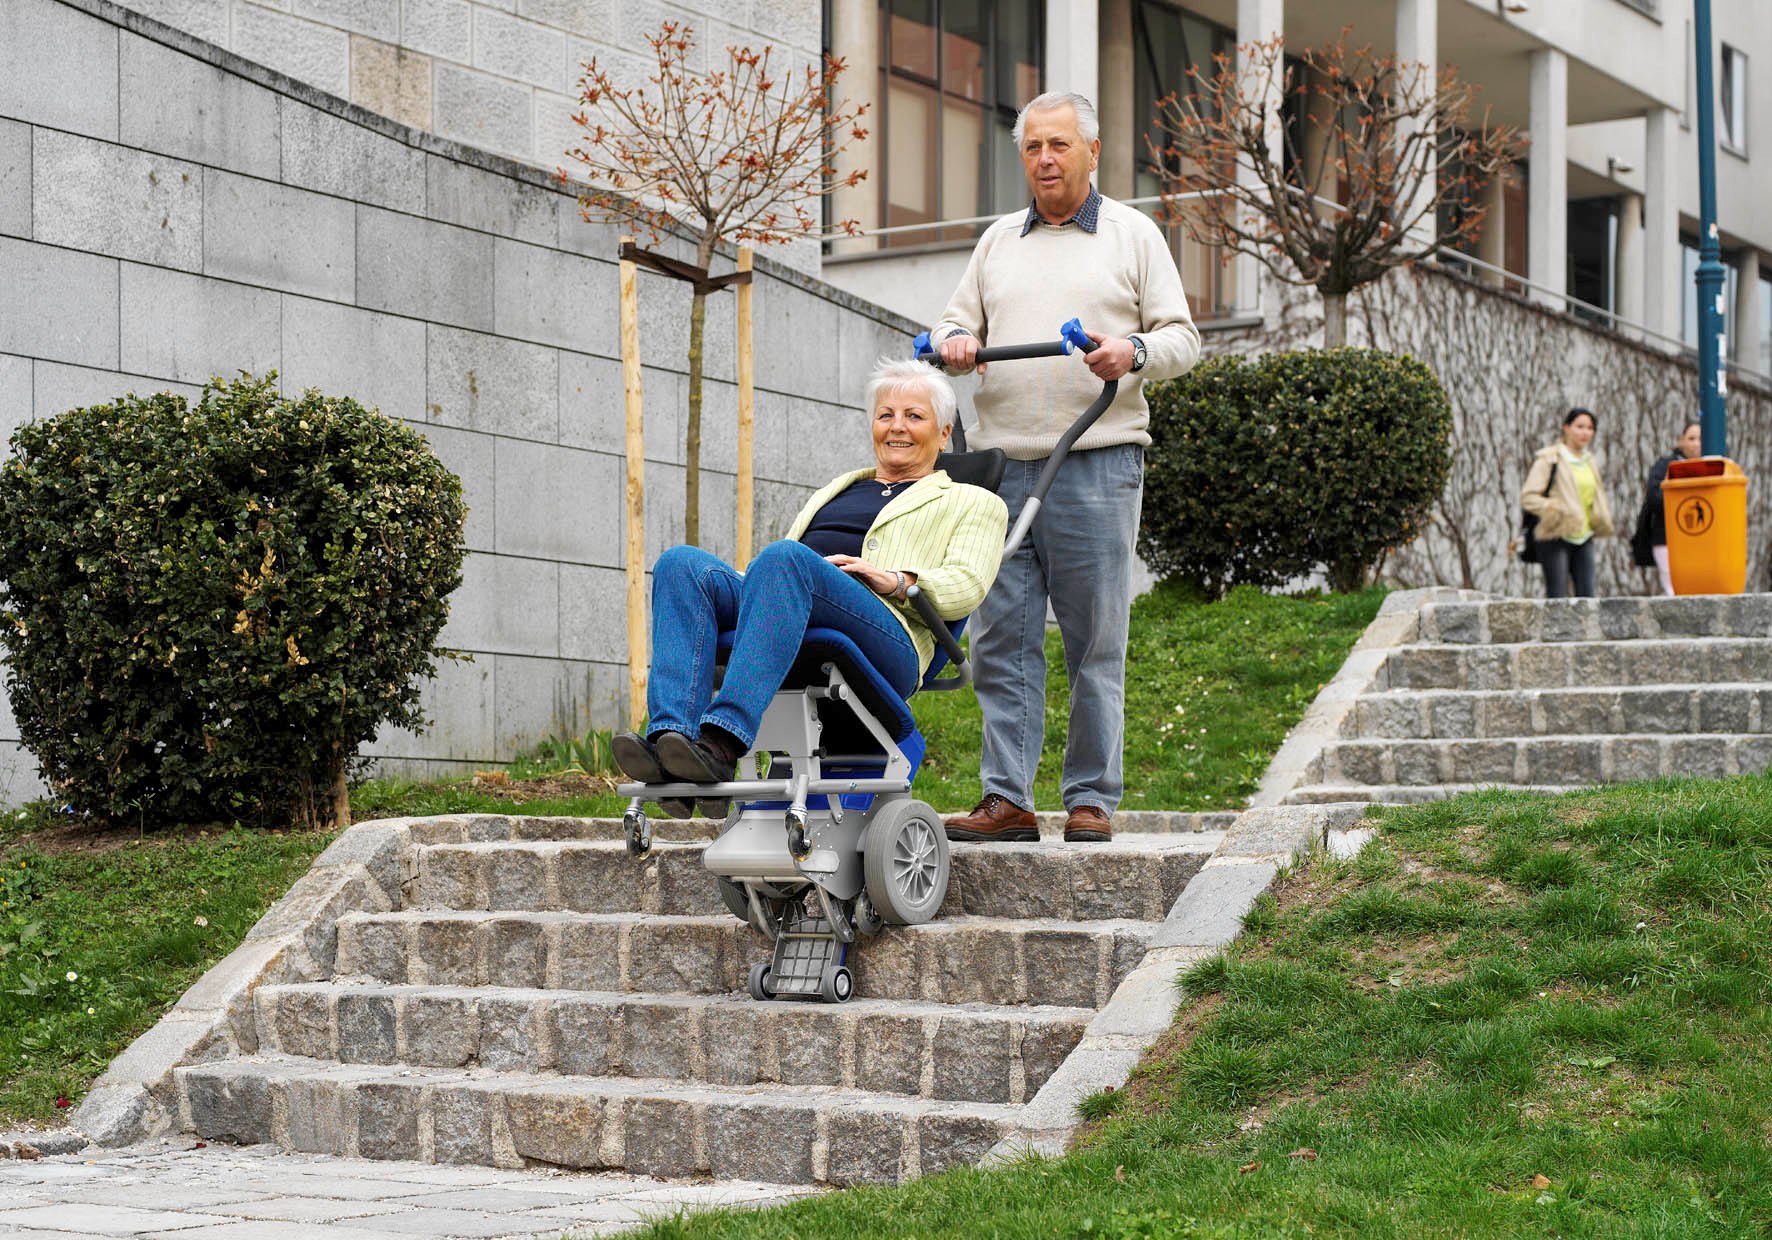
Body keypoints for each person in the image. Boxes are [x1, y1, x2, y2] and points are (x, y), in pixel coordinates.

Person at [929, 91, 1201, 845]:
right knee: (1001, 641)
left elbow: (1182, 338)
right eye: (1031, 148)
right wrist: (954, 340)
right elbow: (956, 321)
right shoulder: (996, 243)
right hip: (1004, 470)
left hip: (1096, 459)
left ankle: (1089, 799)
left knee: (1093, 639)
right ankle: (1006, 799)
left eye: (1058, 145)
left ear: (1091, 149)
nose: (1044, 160)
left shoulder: (1132, 235)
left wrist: (1133, 352)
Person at [612, 360, 1008, 819]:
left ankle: (721, 741)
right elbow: (782, 571)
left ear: (943, 434)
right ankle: (673, 748)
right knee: (681, 565)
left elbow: (968, 584)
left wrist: (896, 579)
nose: (897, 427)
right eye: (886, 415)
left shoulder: (973, 501)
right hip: (799, 596)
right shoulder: (837, 490)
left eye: (914, 416)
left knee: (784, 558)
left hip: (888, 631)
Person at [1521, 407, 1616, 599]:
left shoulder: (1590, 461)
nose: (1585, 432)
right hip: (1555, 535)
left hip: (1584, 535)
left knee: (1587, 598)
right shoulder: (1550, 458)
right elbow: (1528, 497)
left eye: (1590, 428)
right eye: (1579, 426)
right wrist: (1555, 509)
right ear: (1566, 427)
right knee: (1558, 598)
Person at [1631, 420, 1703, 595]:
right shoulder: (1666, 465)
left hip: (1702, 538)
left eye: (1700, 438)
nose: (1696, 444)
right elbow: (1654, 497)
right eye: (1691, 438)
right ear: (1681, 441)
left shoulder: (1717, 465)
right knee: (1675, 590)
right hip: (1667, 537)